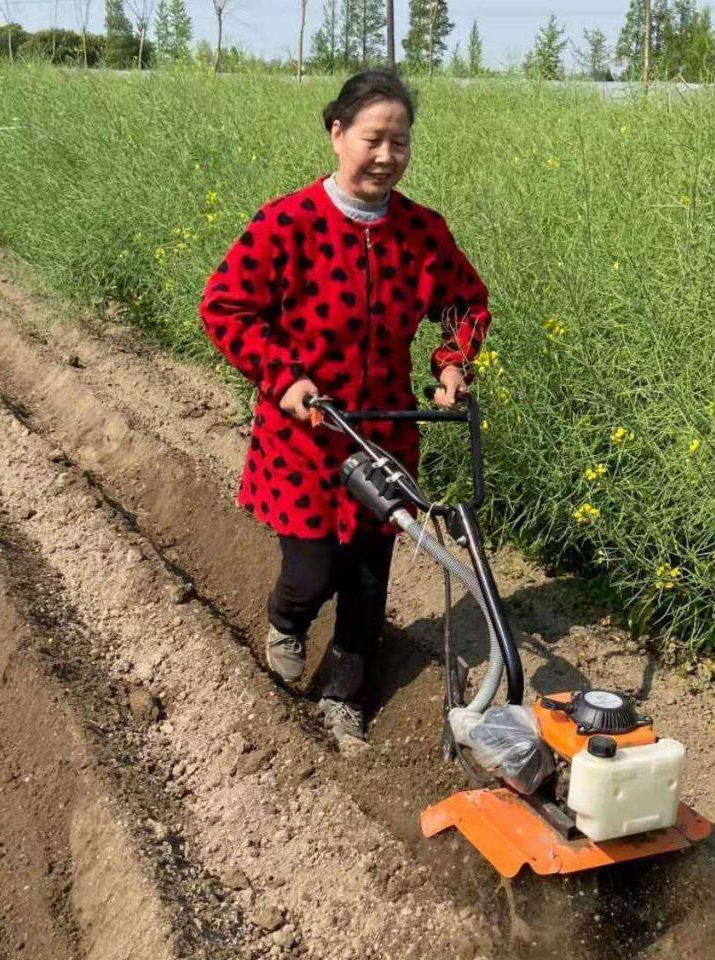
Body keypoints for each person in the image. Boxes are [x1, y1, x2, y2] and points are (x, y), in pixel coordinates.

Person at [198, 69, 490, 744]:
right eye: (373, 139)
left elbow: (465, 304)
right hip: (303, 435)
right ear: (337, 134)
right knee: (312, 573)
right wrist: (284, 377)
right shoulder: (286, 224)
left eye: (401, 142)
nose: (387, 156)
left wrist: (450, 364)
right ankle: (287, 619)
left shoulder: (422, 232)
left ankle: (345, 694)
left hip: (385, 433)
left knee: (366, 574)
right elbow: (225, 308)